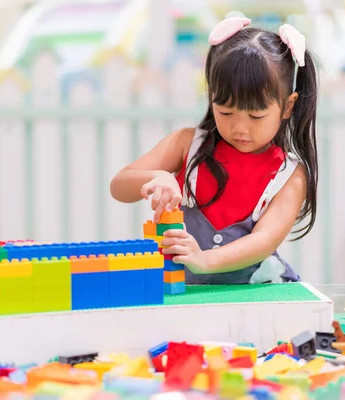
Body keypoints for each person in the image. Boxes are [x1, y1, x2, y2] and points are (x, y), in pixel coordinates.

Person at [110, 15, 318, 285]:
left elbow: (264, 241)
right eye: (226, 112)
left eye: (256, 116)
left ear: (288, 106)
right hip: (180, 289)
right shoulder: (187, 144)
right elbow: (118, 186)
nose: (240, 128)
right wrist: (155, 178)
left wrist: (203, 260)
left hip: (253, 294)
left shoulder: (289, 174)